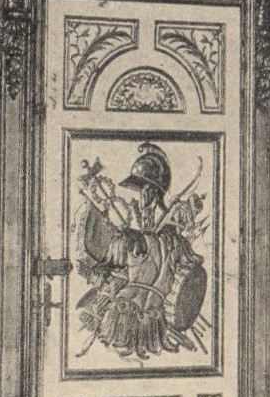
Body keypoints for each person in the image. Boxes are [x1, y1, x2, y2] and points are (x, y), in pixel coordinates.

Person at [75, 142, 208, 359]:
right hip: (156, 329)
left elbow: (100, 260)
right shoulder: (179, 244)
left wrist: (92, 274)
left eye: (143, 191)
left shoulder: (133, 240)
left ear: (151, 193)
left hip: (121, 325)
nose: (141, 196)